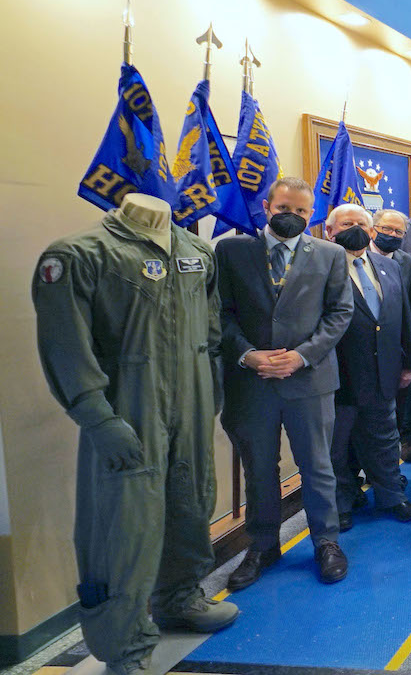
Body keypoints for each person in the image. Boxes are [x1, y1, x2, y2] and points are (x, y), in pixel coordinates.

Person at [32, 193, 239, 674]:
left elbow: (210, 329)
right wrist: (97, 418)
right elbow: (65, 347)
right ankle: (123, 643)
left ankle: (180, 598)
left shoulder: (195, 250)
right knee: (124, 525)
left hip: (190, 398)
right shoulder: (79, 255)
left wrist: (211, 388)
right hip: (128, 402)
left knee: (190, 502)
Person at [215, 177, 352, 589]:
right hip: (251, 381)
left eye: (301, 211)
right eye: (283, 208)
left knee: (317, 466)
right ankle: (262, 545)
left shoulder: (330, 254)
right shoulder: (232, 251)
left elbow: (339, 313)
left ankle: (326, 541)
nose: (291, 216)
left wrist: (301, 355)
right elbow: (220, 313)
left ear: (312, 214)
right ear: (266, 207)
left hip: (309, 379)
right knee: (259, 468)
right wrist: (247, 354)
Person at [324, 205, 411, 530]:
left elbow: (403, 316)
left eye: (361, 223)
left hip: (384, 372)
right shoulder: (320, 267)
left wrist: (407, 364)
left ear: (371, 230)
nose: (355, 228)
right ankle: (343, 502)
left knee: (385, 440)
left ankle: (392, 496)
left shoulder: (389, 266)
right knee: (338, 447)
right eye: (346, 224)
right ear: (330, 231)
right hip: (339, 375)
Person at [373, 208, 411, 463]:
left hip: (395, 351)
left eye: (398, 231)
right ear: (373, 229)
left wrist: (410, 361)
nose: (392, 235)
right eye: (386, 229)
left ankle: (390, 468)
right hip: (361, 352)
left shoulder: (410, 265)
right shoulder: (355, 258)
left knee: (394, 415)